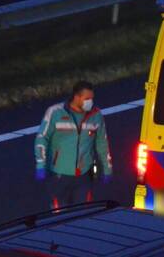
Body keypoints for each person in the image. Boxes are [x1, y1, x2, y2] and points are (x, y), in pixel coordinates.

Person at [34, 81, 113, 209]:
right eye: (87, 99)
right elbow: (41, 139)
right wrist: (40, 164)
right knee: (59, 213)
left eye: (92, 98)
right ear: (76, 97)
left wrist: (107, 168)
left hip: (85, 174)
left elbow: (102, 143)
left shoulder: (96, 115)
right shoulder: (55, 113)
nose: (90, 102)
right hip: (59, 175)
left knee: (84, 212)